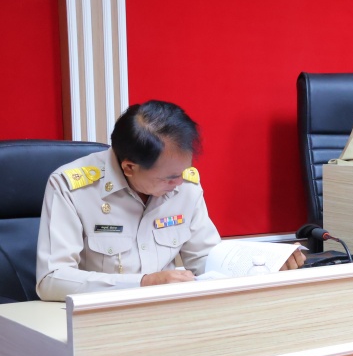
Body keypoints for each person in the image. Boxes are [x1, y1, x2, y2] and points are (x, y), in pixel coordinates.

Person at [36, 100, 304, 301]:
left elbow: (205, 259)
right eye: (169, 178)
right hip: (97, 320)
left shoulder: (184, 183)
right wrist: (144, 283)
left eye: (183, 172)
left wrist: (263, 264)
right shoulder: (71, 188)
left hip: (169, 316)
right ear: (129, 167)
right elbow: (51, 279)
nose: (179, 183)